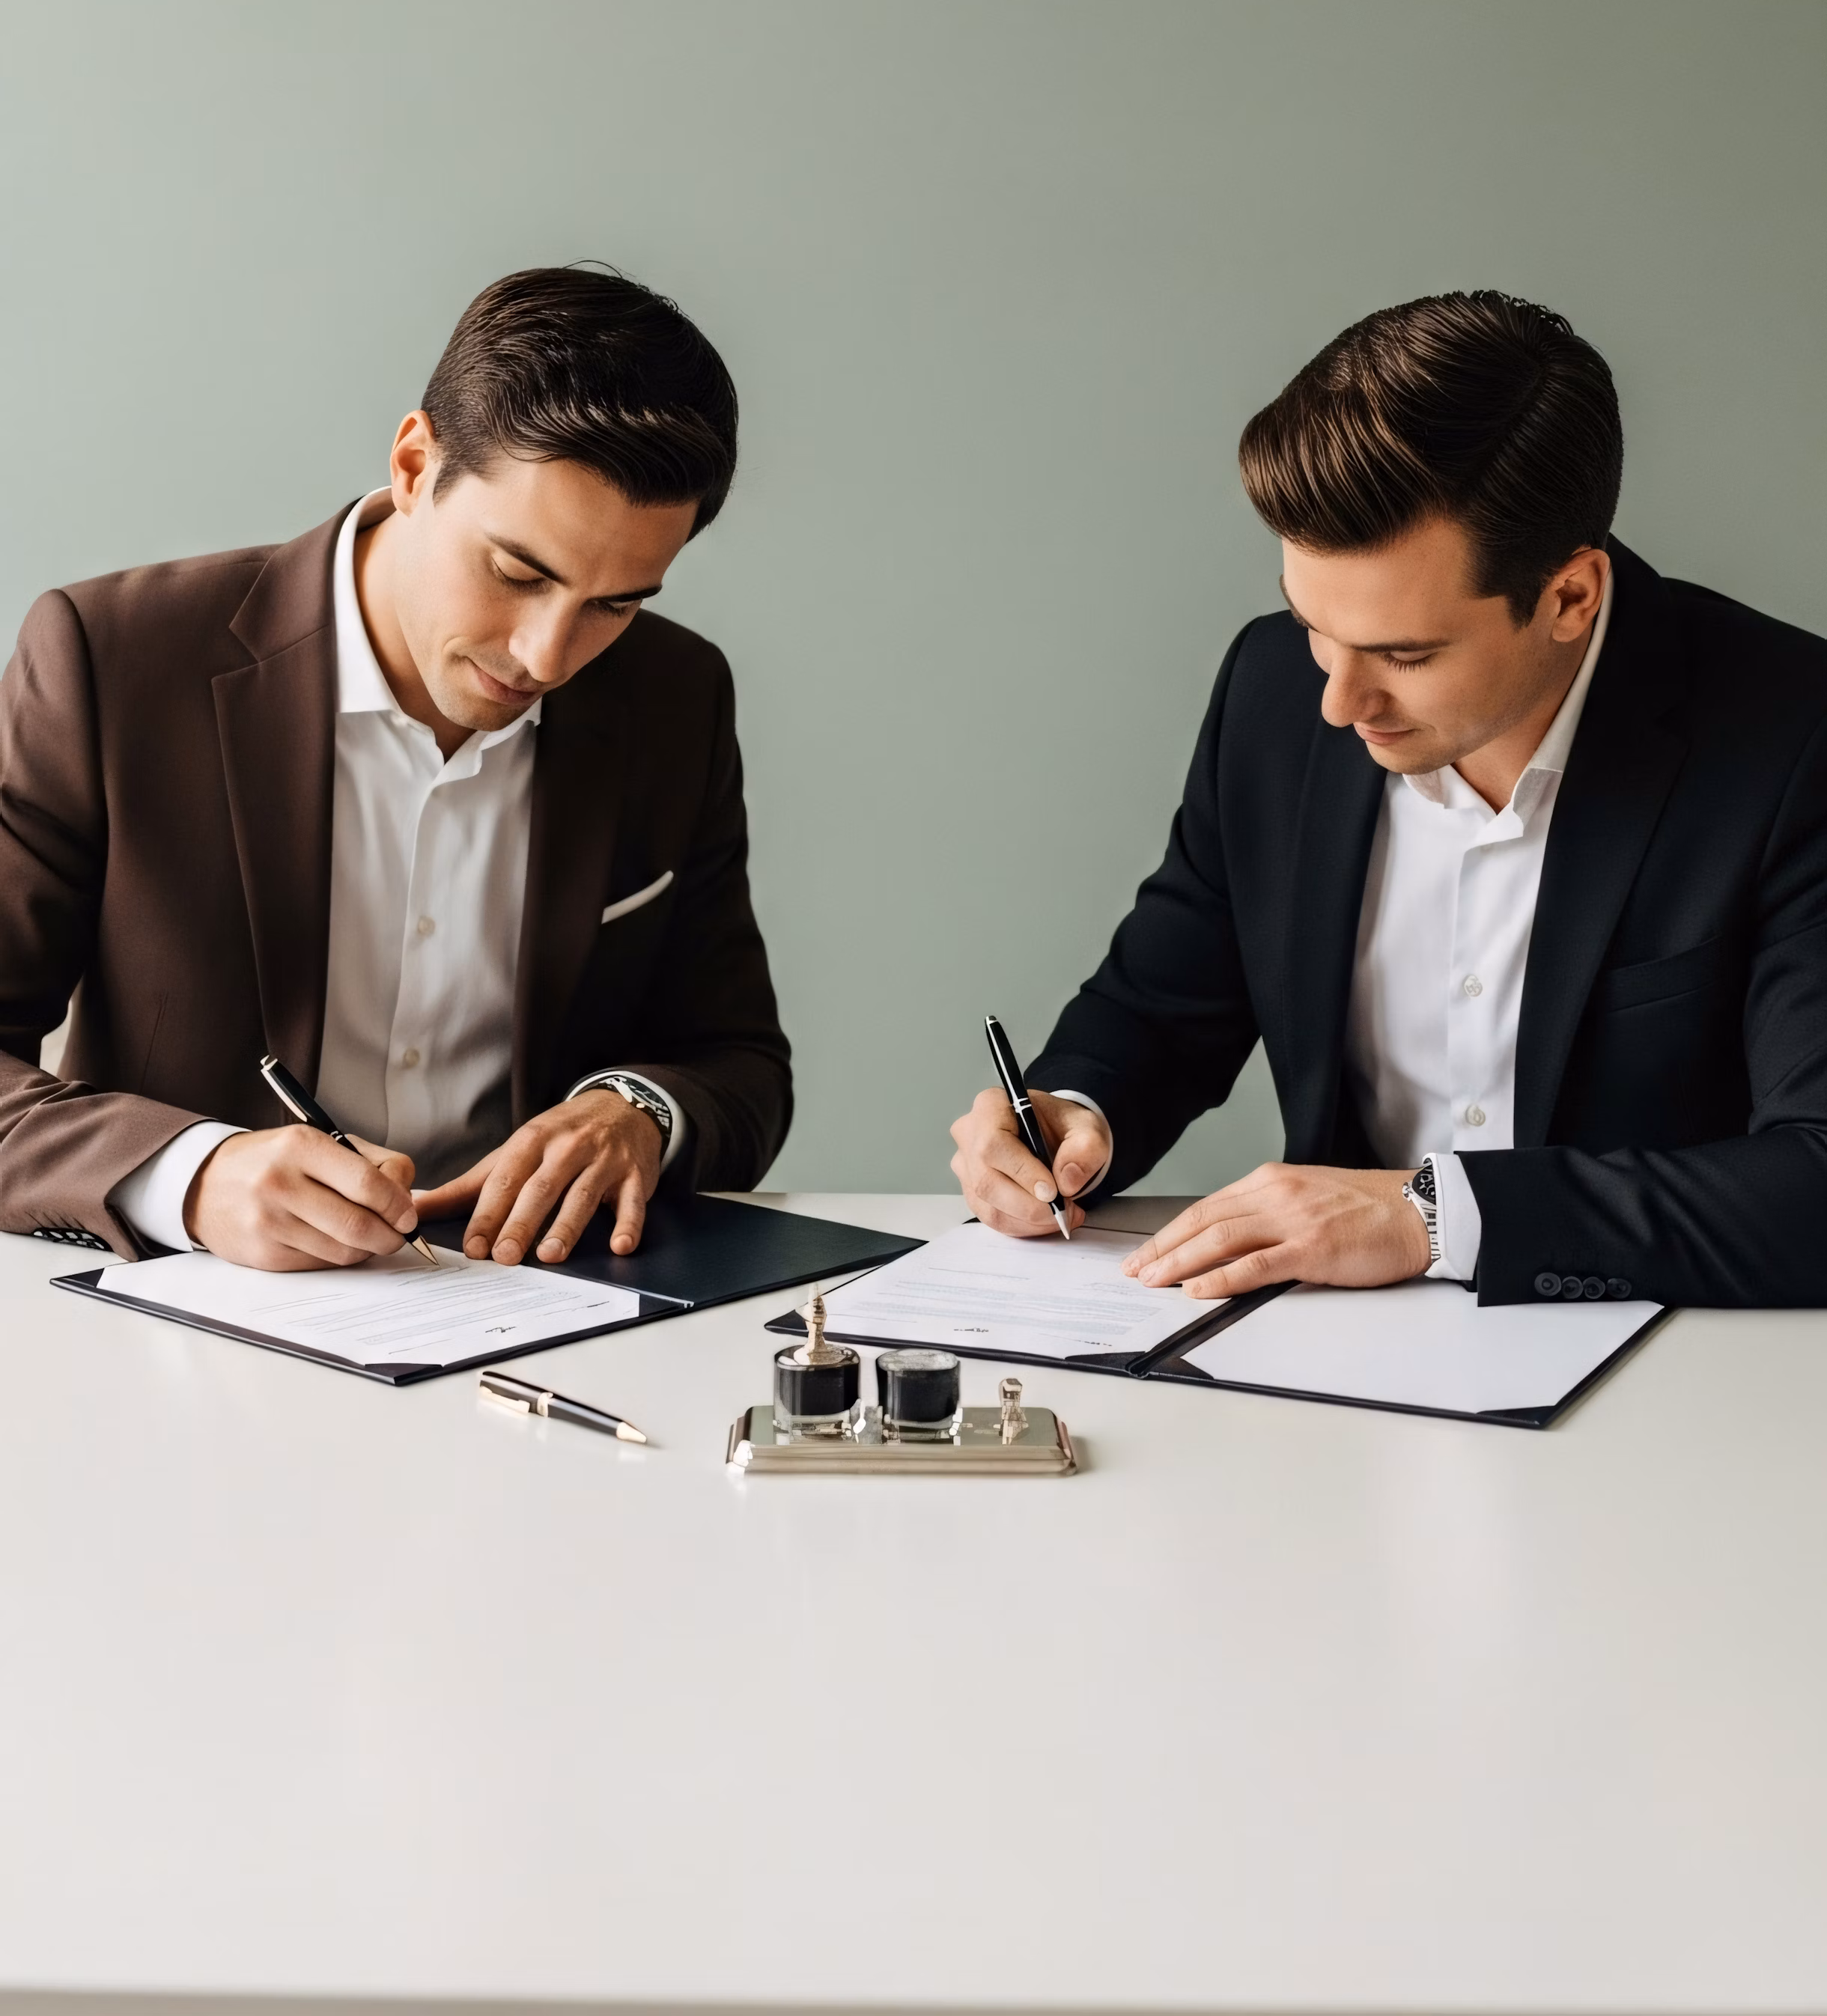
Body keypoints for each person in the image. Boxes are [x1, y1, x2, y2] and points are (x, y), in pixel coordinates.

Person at [950, 291, 1827, 1307]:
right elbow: (1165, 999)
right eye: (1311, 623)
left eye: (1404, 653)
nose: (1338, 700)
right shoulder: (1271, 689)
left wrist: (1430, 1215)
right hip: (1331, 1370)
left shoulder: (1794, 741)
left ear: (1570, 597)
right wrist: (1070, 1112)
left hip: (1669, 1380)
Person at [0, 264, 790, 1270]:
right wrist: (191, 1175)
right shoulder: (110, 658)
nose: (548, 656)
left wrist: (633, 1111)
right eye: (519, 572)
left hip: (542, 1320)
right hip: (192, 1322)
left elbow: (739, 1060)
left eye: (617, 602)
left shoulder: (677, 696)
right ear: (414, 465)